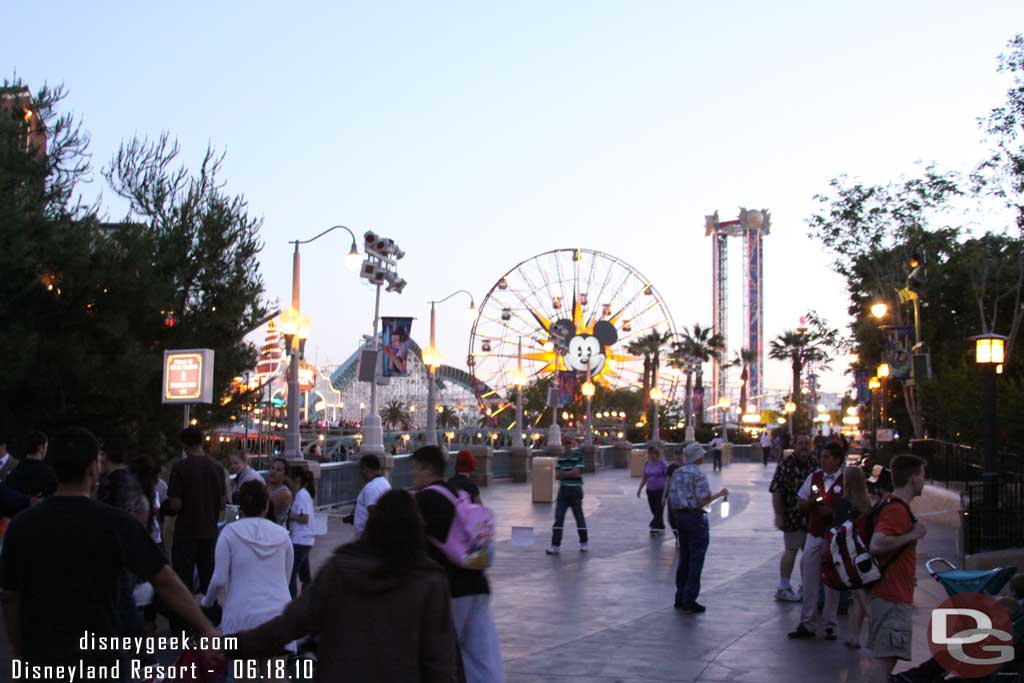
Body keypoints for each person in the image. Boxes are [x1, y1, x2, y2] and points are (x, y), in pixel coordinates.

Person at [0, 427, 216, 671]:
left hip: (44, 658)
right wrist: (206, 627)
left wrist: (20, 657)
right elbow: (164, 579)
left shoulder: (22, 526)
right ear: (93, 468)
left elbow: (10, 597)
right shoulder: (117, 524)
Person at [232, 489, 457, 681]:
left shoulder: (340, 570)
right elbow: (440, 663)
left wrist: (232, 645)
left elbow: (288, 625)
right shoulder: (429, 583)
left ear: (373, 525)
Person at [412, 445, 503, 683]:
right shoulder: (458, 493)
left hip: (449, 591)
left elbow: (410, 547)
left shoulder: (424, 500)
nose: (412, 475)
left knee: (440, 656)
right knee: (482, 657)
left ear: (426, 469)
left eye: (414, 469)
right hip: (477, 583)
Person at [201, 481, 293, 638]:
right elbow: (286, 579)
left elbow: (218, 580)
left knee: (243, 662)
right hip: (279, 615)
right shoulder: (283, 536)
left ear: (240, 506)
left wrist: (206, 602)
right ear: (266, 505)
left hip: (240, 617)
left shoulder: (229, 533)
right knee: (275, 663)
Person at [867, 454, 927, 683]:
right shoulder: (896, 510)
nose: (924, 480)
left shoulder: (893, 505)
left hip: (891, 593)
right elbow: (877, 544)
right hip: (892, 598)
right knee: (882, 665)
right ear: (913, 479)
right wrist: (913, 534)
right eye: (922, 475)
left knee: (883, 661)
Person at [788, 441, 846, 641]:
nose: (823, 460)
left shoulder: (846, 480)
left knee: (832, 580)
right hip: (815, 533)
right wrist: (813, 502)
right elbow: (802, 503)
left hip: (836, 537)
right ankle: (807, 622)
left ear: (838, 459)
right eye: (821, 456)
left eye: (827, 457)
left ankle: (831, 623)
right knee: (809, 574)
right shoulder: (814, 477)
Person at [164, 427, 227, 606]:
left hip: (186, 533)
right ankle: (208, 619)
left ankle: (184, 623)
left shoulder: (180, 468)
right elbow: (223, 503)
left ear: (183, 444)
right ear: (202, 442)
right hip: (209, 532)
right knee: (208, 580)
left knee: (183, 581)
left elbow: (176, 505)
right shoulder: (217, 467)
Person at [667, 442, 728, 612]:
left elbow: (672, 496)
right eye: (701, 454)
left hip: (680, 517)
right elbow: (703, 501)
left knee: (684, 557)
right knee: (696, 559)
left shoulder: (677, 472)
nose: (704, 456)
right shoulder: (698, 475)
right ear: (697, 457)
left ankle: (680, 595)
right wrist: (720, 494)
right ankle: (690, 598)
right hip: (695, 518)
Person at [769, 433, 818, 602]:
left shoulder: (814, 463)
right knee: (791, 549)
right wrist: (779, 515)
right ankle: (783, 586)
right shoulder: (786, 464)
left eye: (807, 443)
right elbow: (777, 490)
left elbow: (819, 487)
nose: (804, 446)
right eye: (801, 443)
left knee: (810, 553)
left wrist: (818, 500)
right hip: (792, 514)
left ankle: (807, 587)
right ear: (794, 445)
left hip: (812, 515)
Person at [838, 465, 874, 649]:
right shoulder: (866, 504)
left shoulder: (844, 503)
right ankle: (854, 637)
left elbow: (840, 530)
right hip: (864, 553)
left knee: (861, 596)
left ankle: (876, 631)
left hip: (850, 555)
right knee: (859, 596)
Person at [547, 437, 588, 554]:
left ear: (572, 444)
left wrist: (565, 474)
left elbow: (577, 473)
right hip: (563, 491)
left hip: (575, 490)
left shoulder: (578, 455)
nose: (568, 446)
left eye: (569, 444)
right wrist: (570, 473)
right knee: (558, 518)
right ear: (563, 445)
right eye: (566, 444)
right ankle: (555, 545)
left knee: (579, 517)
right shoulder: (561, 458)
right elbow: (557, 476)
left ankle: (583, 542)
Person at [286, 466, 316, 598]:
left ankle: (291, 603)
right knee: (305, 576)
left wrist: (291, 516)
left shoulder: (301, 496)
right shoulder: (302, 494)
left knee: (290, 575)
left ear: (296, 480)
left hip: (300, 540)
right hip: (304, 540)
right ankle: (308, 601)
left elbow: (305, 518)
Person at [346, 453, 392, 536]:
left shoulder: (371, 488)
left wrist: (368, 537)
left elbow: (373, 514)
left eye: (361, 469)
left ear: (366, 469)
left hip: (367, 537)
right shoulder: (384, 482)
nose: (361, 472)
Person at [5, 431, 56, 498]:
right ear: (41, 447)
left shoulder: (14, 471)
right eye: (46, 447)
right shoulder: (49, 473)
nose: (46, 450)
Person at [637, 445, 668, 535]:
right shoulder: (647, 463)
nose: (650, 456)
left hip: (661, 489)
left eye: (651, 454)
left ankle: (654, 526)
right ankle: (661, 525)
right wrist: (640, 489)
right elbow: (644, 477)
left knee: (659, 508)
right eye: (649, 454)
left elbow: (668, 477)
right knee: (653, 508)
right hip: (650, 489)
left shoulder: (663, 463)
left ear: (656, 453)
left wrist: (666, 491)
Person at [663, 447, 685, 540]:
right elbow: (667, 482)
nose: (678, 456)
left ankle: (681, 537)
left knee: (680, 518)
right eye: (677, 454)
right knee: (671, 519)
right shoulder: (671, 467)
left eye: (680, 454)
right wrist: (663, 496)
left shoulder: (686, 466)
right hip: (672, 496)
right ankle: (677, 536)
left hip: (683, 496)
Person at [265, 457, 293, 527]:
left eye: (278, 470)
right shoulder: (265, 486)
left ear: (285, 475)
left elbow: (265, 511)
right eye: (272, 468)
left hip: (275, 530)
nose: (273, 471)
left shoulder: (284, 493)